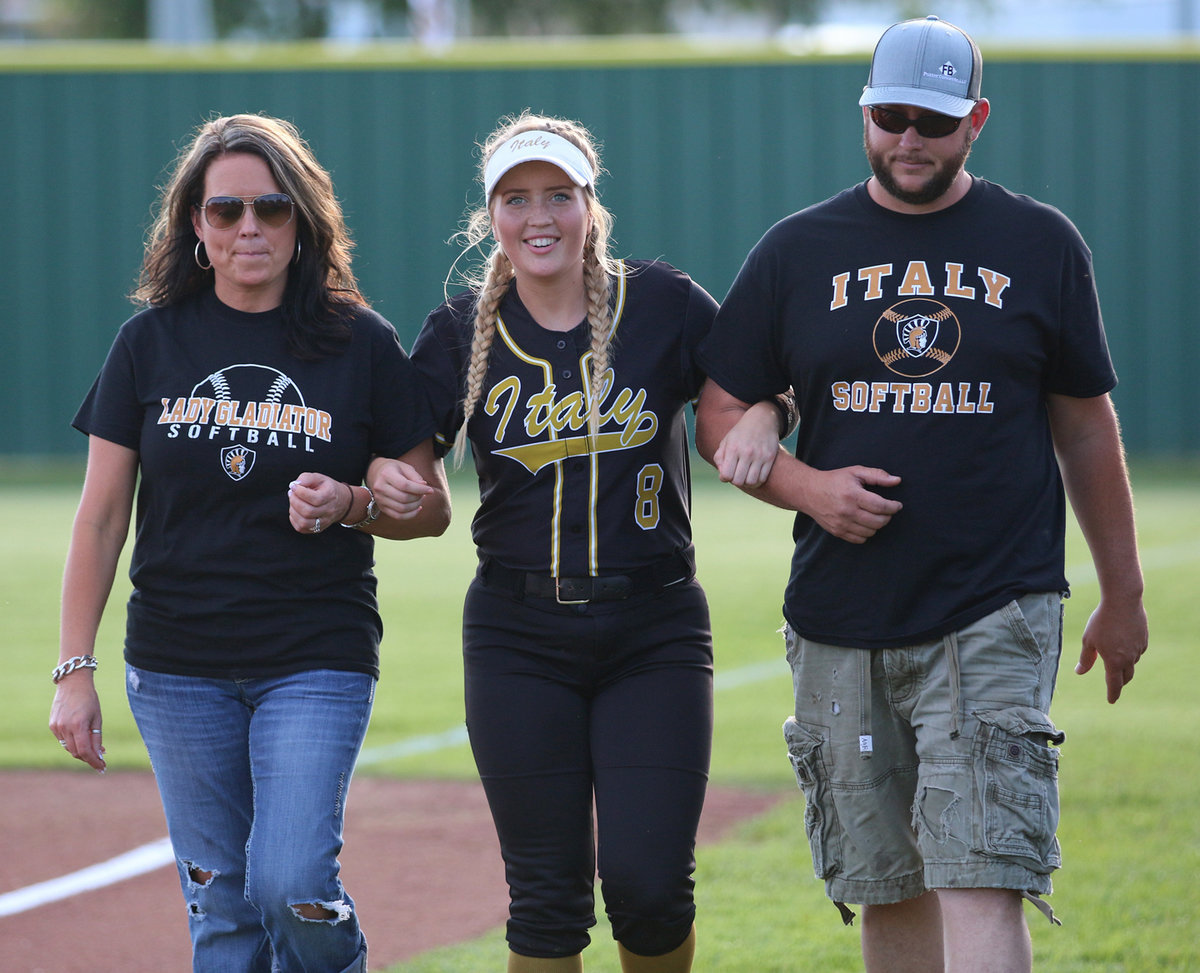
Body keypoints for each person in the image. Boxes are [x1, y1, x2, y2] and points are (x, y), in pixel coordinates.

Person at [694, 16, 1148, 973]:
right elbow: (720, 414)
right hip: (838, 617)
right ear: (865, 113)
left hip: (994, 603)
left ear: (975, 120)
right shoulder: (796, 251)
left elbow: (1084, 425)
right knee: (882, 882)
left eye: (932, 121)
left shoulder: (1040, 243)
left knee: (981, 871)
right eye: (890, 115)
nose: (908, 138)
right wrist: (806, 485)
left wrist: (1125, 592)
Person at [368, 111, 790, 972]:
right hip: (517, 637)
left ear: (589, 205)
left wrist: (770, 414)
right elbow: (409, 487)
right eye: (517, 199)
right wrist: (379, 487)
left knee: (650, 886)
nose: (540, 217)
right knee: (548, 899)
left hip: (656, 630)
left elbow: (760, 380)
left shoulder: (663, 303)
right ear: (491, 216)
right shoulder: (455, 335)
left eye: (558, 195)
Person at [49, 112, 450, 973]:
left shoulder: (361, 342)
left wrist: (350, 502)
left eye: (271, 208)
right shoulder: (148, 343)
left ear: (301, 218)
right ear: (195, 223)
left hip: (314, 653)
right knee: (221, 907)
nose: (249, 229)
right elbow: (100, 517)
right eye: (225, 210)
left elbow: (430, 509)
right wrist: (73, 669)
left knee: (291, 883)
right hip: (175, 666)